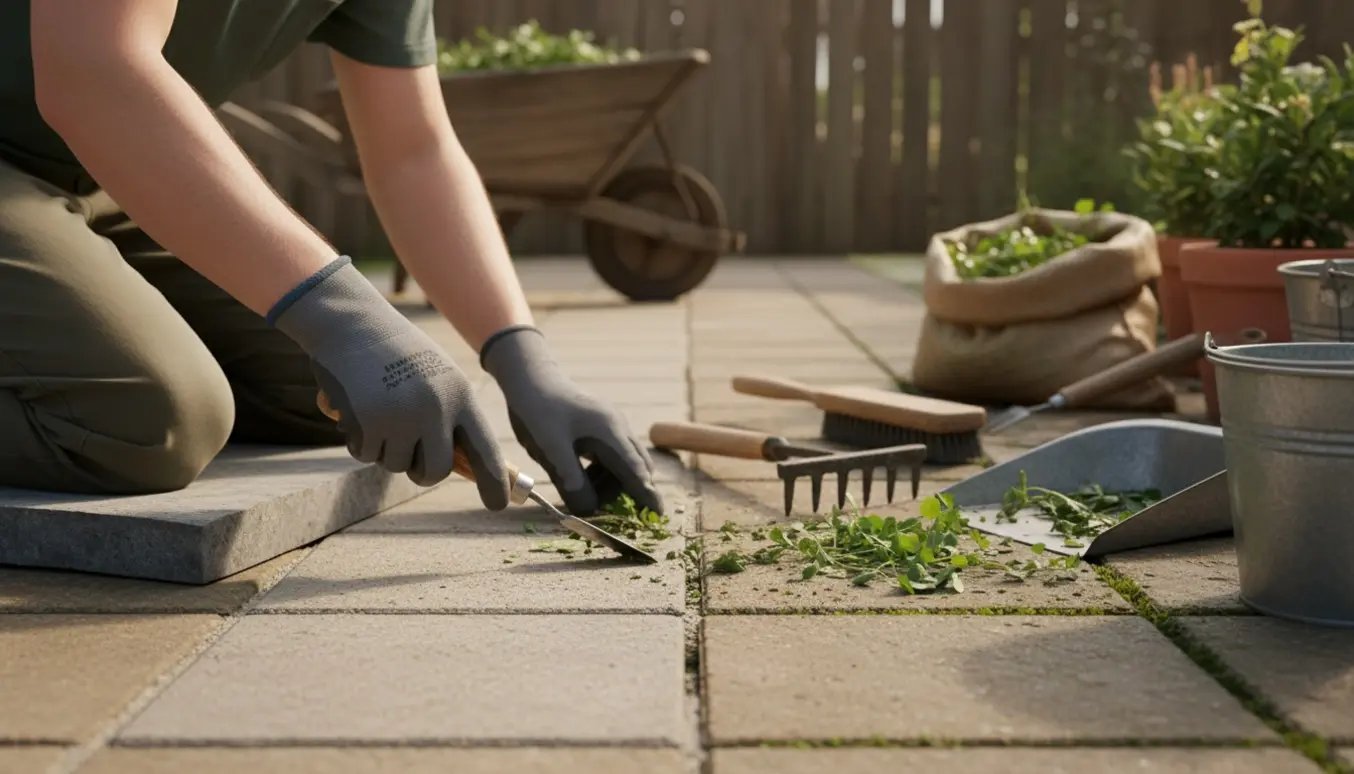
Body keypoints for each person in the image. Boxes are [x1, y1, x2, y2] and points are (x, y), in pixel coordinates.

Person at [0, 0, 664, 518]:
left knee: (315, 388)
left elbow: (413, 150)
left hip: (93, 174)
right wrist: (341, 313)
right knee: (149, 423)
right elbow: (93, 71)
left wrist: (524, 361)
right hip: (51, 146)